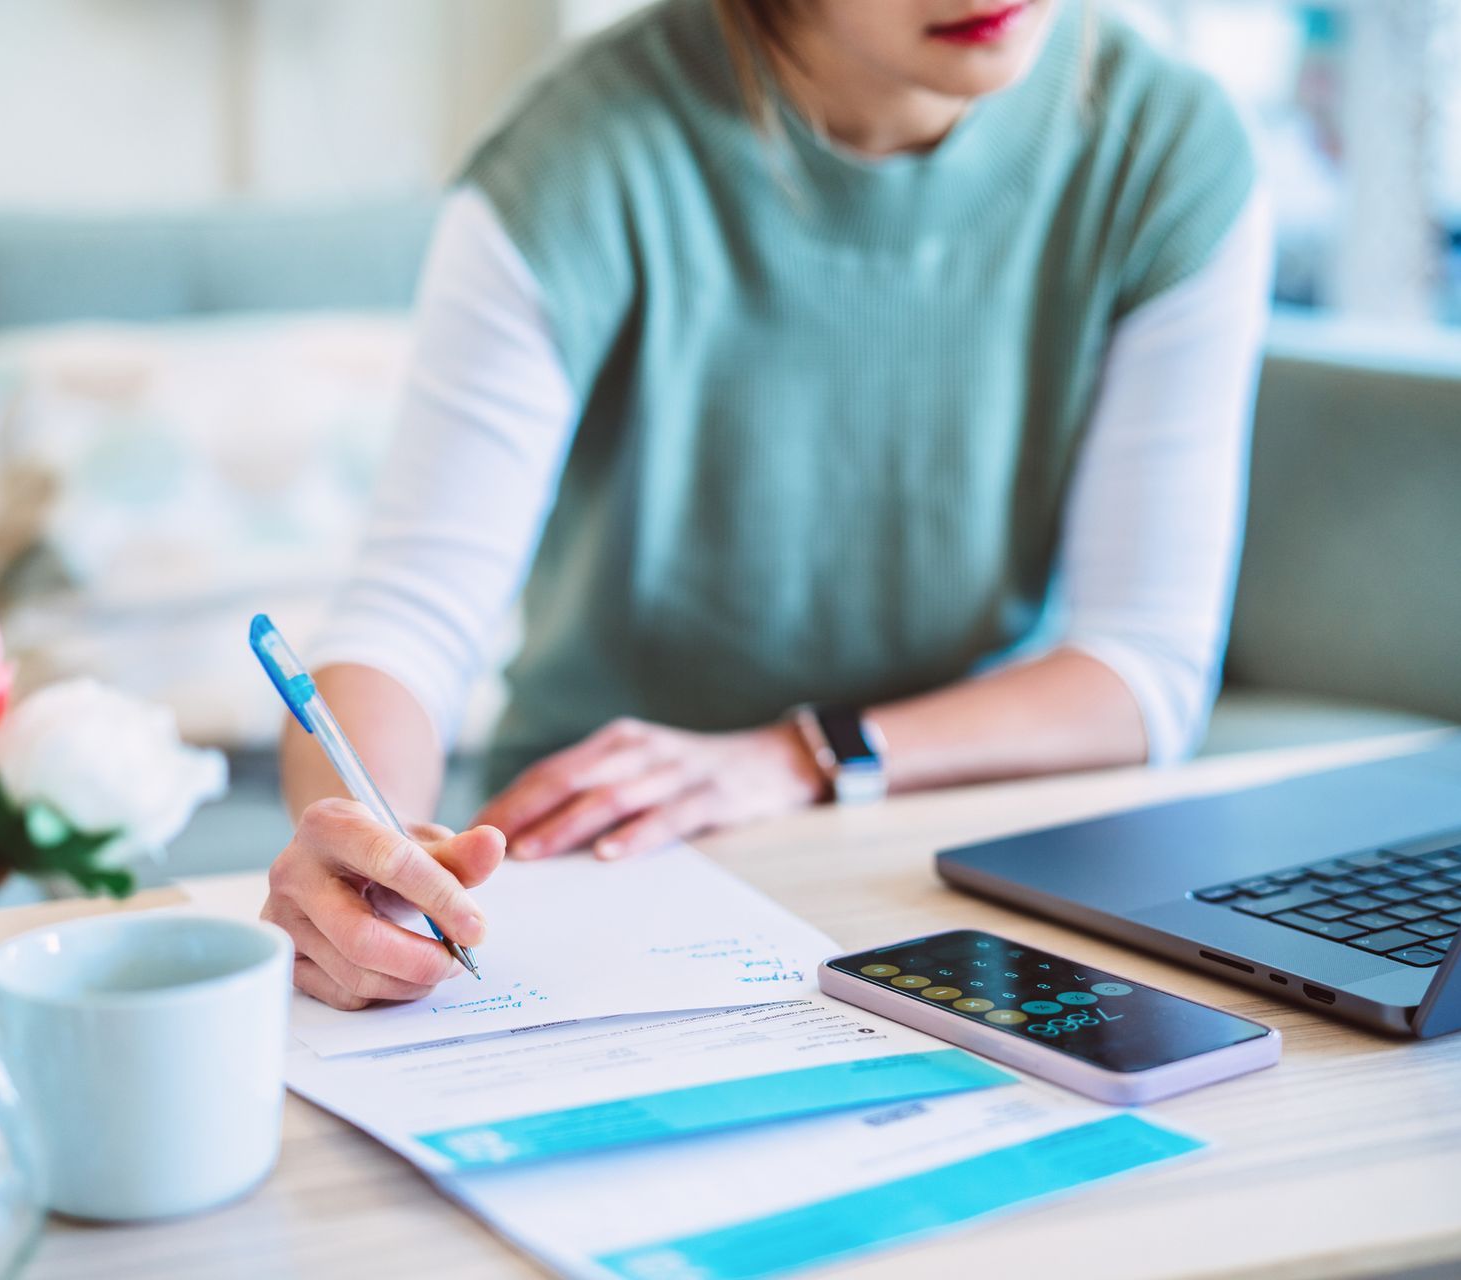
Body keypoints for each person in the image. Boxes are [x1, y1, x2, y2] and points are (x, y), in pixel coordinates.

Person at [263, 0, 1272, 1010]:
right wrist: (359, 845)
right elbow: (409, 611)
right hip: (605, 861)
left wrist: (799, 754)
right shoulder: (580, 150)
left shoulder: (1167, 147)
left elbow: (1144, 667)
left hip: (978, 852)